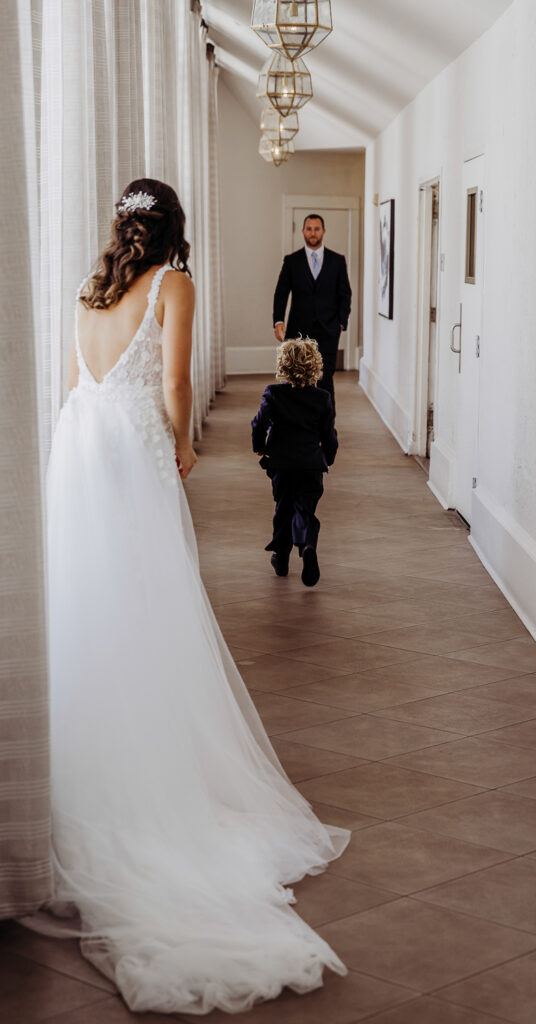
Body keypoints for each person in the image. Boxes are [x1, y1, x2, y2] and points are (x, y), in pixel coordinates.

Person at [24, 179, 350, 1015]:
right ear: (172, 228)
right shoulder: (174, 284)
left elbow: (74, 381)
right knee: (150, 602)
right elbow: (175, 384)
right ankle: (155, 767)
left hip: (79, 449)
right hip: (130, 455)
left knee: (90, 604)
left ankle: (91, 759)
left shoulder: (86, 289)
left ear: (120, 227)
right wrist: (183, 447)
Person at [252, 338, 338, 588]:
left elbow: (259, 423)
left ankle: (281, 558)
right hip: (311, 465)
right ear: (316, 367)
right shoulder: (322, 398)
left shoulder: (274, 393)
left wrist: (260, 448)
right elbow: (328, 435)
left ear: (282, 366)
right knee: (305, 509)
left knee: (284, 508)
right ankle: (308, 545)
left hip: (281, 464)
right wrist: (327, 458)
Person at [273, 214, 352, 413]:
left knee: (325, 379)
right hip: (298, 329)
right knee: (297, 379)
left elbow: (345, 294)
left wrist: (341, 323)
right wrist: (278, 320)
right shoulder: (292, 261)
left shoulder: (337, 261)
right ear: (303, 231)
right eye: (309, 229)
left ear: (323, 231)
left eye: (317, 229)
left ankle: (326, 427)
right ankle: (299, 424)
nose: (313, 233)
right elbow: (281, 293)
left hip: (328, 330)